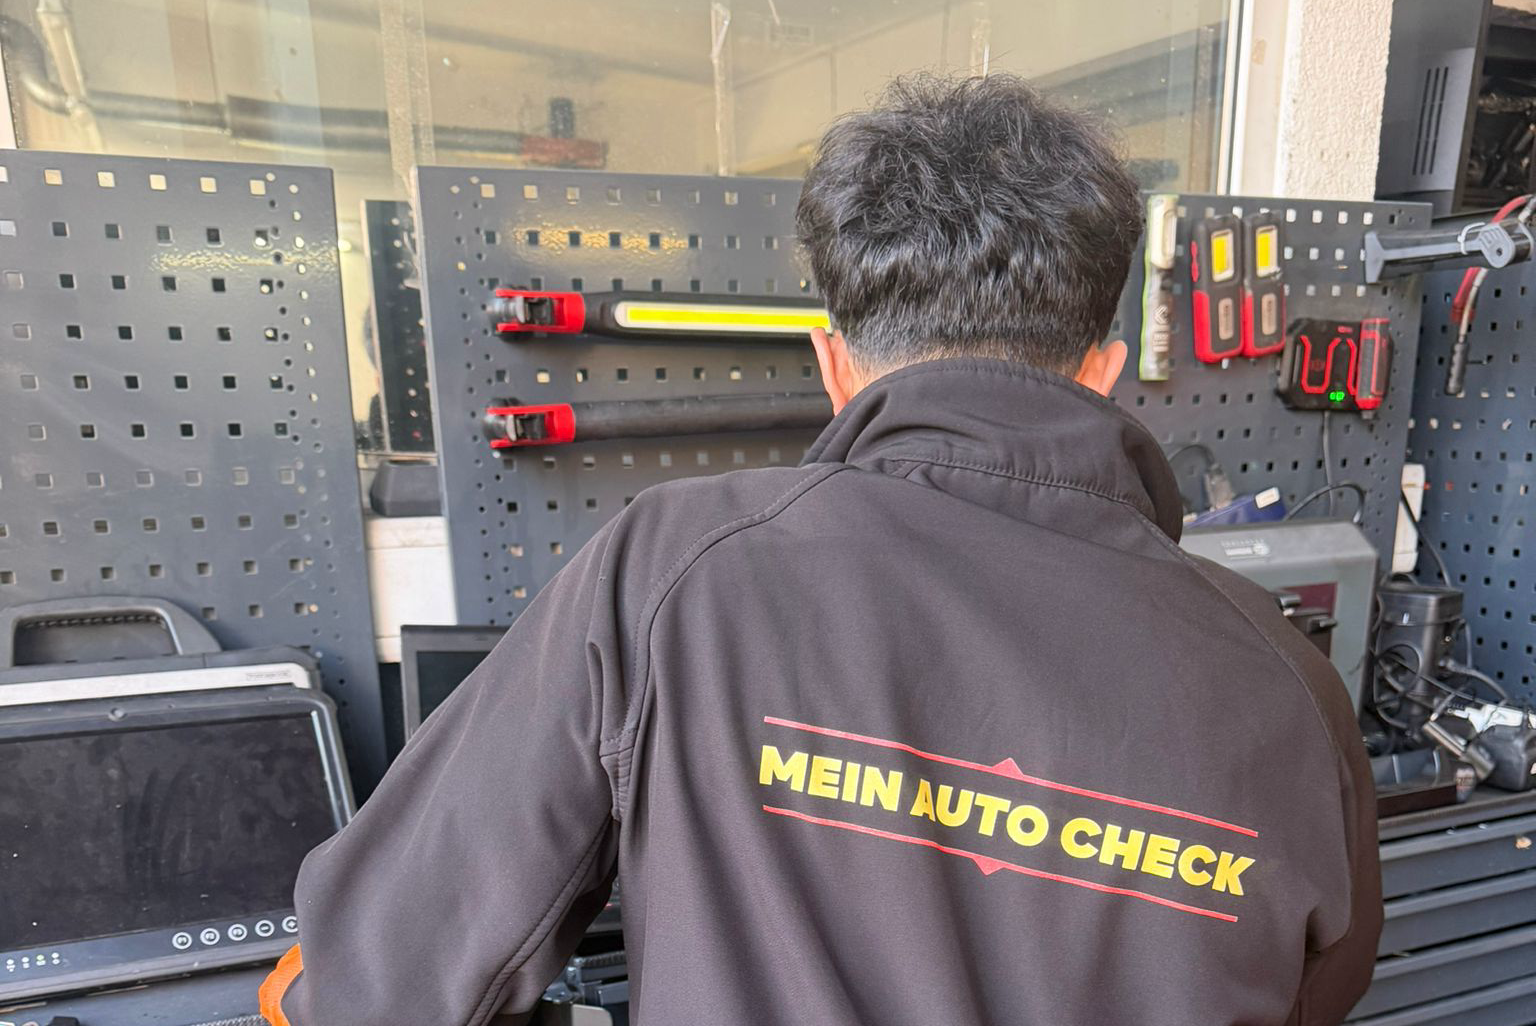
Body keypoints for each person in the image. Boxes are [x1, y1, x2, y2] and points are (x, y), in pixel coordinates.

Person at [261, 73, 1380, 1026]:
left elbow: (373, 985)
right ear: (1106, 370)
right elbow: (1315, 993)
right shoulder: (1290, 683)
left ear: (832, 365)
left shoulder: (676, 575)